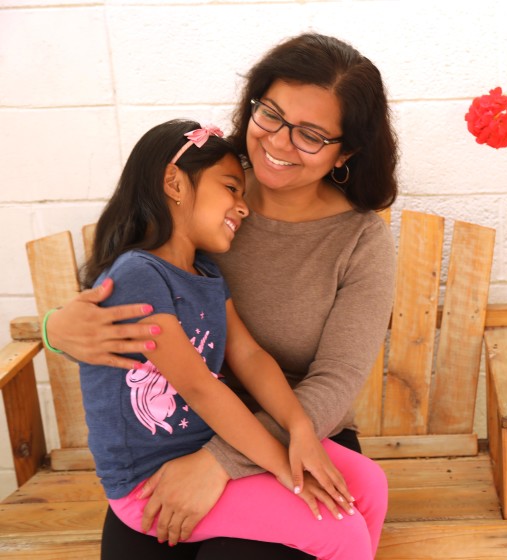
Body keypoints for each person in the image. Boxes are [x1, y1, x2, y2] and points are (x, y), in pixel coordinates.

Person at [44, 33, 398, 560]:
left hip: (290, 429)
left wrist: (223, 461)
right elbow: (117, 312)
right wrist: (57, 330)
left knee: (343, 510)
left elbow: (332, 379)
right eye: (271, 115)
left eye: (311, 135)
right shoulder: (200, 202)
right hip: (170, 443)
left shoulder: (358, 239)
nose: (279, 142)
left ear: (345, 151)